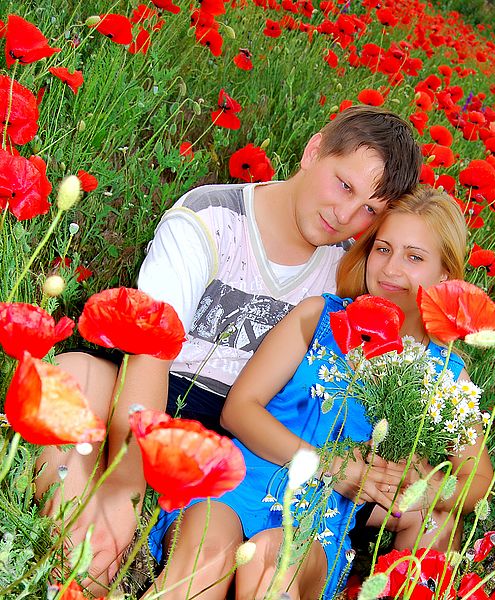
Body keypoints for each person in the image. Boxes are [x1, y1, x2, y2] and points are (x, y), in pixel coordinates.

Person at [33, 105, 422, 594]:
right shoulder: (210, 217)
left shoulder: (348, 272)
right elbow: (151, 347)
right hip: (155, 393)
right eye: (344, 185)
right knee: (68, 376)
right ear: (314, 150)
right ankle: (84, 556)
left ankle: (111, 556)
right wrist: (125, 488)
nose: (346, 216)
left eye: (369, 209)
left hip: (245, 448)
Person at [145, 187, 494, 600]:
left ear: (445, 276)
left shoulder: (443, 370)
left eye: (414, 257)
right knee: (205, 549)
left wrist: (421, 482)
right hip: (244, 479)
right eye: (383, 249)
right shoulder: (320, 318)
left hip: (319, 516)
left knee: (274, 563)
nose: (391, 269)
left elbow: (477, 481)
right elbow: (238, 410)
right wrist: (330, 466)